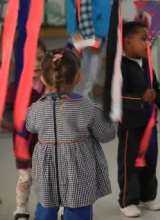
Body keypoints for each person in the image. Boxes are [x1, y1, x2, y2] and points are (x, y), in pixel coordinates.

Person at [26, 48, 117, 219]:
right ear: (79, 78)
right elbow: (106, 134)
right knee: (78, 209)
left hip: (47, 172)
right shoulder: (87, 107)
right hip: (78, 171)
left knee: (45, 208)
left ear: (44, 79)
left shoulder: (36, 108)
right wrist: (112, 119)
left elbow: (30, 126)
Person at [118, 21, 160, 218]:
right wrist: (140, 98)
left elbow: (155, 88)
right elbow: (118, 95)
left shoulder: (147, 64)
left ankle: (147, 196)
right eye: (142, 39)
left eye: (148, 39)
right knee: (129, 163)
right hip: (130, 126)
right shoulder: (121, 66)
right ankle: (127, 200)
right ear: (127, 42)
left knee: (150, 161)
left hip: (149, 125)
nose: (147, 43)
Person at [0, 39, 46, 220]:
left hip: (48, 141)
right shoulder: (15, 88)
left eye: (40, 58)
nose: (35, 64)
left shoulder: (51, 84)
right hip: (25, 143)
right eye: (29, 59)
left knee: (49, 177)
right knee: (25, 177)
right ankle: (21, 210)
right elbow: (6, 114)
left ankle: (50, 209)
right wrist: (17, 127)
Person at [65, 0, 111, 99]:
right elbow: (83, 9)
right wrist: (92, 39)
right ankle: (78, 119)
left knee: (87, 83)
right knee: (82, 83)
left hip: (92, 38)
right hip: (87, 39)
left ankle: (83, 117)